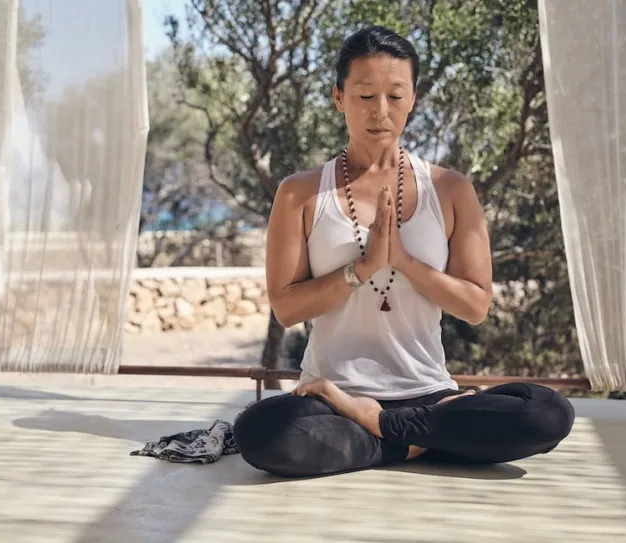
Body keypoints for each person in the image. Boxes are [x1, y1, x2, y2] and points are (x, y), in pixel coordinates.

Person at [232, 26, 575, 478]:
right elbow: (287, 308)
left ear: (413, 98)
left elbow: (475, 305)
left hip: (430, 394)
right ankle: (414, 440)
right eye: (365, 95)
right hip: (331, 399)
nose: (381, 111)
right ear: (339, 97)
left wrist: (405, 263)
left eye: (395, 96)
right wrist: (364, 267)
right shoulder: (299, 193)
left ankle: (386, 428)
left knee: (548, 412)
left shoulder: (450, 189)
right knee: (260, 432)